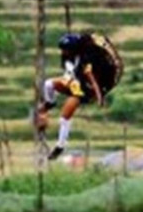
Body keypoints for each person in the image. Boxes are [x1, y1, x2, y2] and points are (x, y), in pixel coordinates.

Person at [35, 32, 117, 161]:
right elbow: (68, 74)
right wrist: (67, 83)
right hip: (75, 83)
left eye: (66, 50)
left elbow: (91, 78)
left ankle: (60, 145)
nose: (64, 52)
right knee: (48, 84)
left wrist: (99, 96)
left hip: (86, 90)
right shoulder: (68, 59)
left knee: (64, 116)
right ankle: (50, 103)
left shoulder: (87, 59)